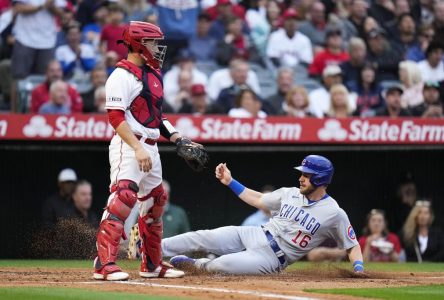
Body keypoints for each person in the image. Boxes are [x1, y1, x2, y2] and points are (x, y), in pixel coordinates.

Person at [94, 21, 206, 281]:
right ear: (137, 44)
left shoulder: (153, 74)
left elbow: (156, 116)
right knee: (123, 198)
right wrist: (136, 147)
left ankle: (152, 265)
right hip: (129, 144)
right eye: (153, 42)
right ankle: (103, 263)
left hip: (151, 145)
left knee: (156, 202)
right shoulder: (120, 76)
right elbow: (115, 118)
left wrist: (177, 137)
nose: (157, 48)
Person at [163, 155, 365, 275]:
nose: (301, 178)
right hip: (255, 233)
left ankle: (196, 265)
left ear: (320, 178)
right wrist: (230, 181)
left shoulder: (334, 213)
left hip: (272, 258)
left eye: (306, 175)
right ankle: (153, 247)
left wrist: (358, 267)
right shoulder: (290, 193)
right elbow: (258, 199)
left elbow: (352, 244)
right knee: (203, 236)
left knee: (220, 265)